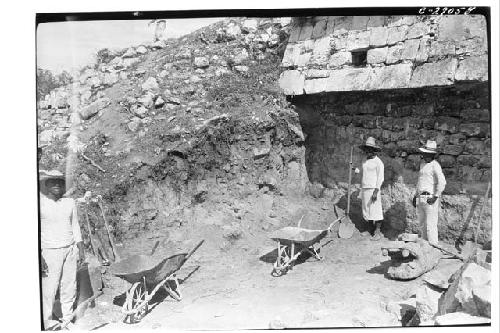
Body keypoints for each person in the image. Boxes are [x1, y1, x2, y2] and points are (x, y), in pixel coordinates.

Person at [40, 170, 85, 328]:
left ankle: (67, 319)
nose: (57, 185)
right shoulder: (41, 203)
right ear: (46, 184)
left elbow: (75, 226)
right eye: (53, 181)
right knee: (49, 289)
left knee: (69, 286)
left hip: (70, 249)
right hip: (50, 251)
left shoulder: (69, 202)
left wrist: (80, 248)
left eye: (60, 182)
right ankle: (45, 322)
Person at [412, 140, 447, 245]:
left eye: (427, 154)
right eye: (424, 154)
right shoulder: (422, 165)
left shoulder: (435, 165)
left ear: (432, 155)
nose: (425, 156)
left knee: (431, 224)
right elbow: (420, 181)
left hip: (430, 197)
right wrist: (415, 196)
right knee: (422, 223)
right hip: (421, 197)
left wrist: (435, 196)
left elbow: (442, 182)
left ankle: (433, 247)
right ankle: (424, 246)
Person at [358, 137, 385, 240]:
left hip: (373, 189)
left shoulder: (379, 162)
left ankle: (377, 232)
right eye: (366, 150)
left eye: (369, 150)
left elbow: (380, 178)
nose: (367, 152)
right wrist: (354, 169)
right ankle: (370, 229)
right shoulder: (365, 160)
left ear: (374, 150)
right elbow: (362, 170)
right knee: (367, 210)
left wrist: (376, 191)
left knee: (376, 210)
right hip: (365, 188)